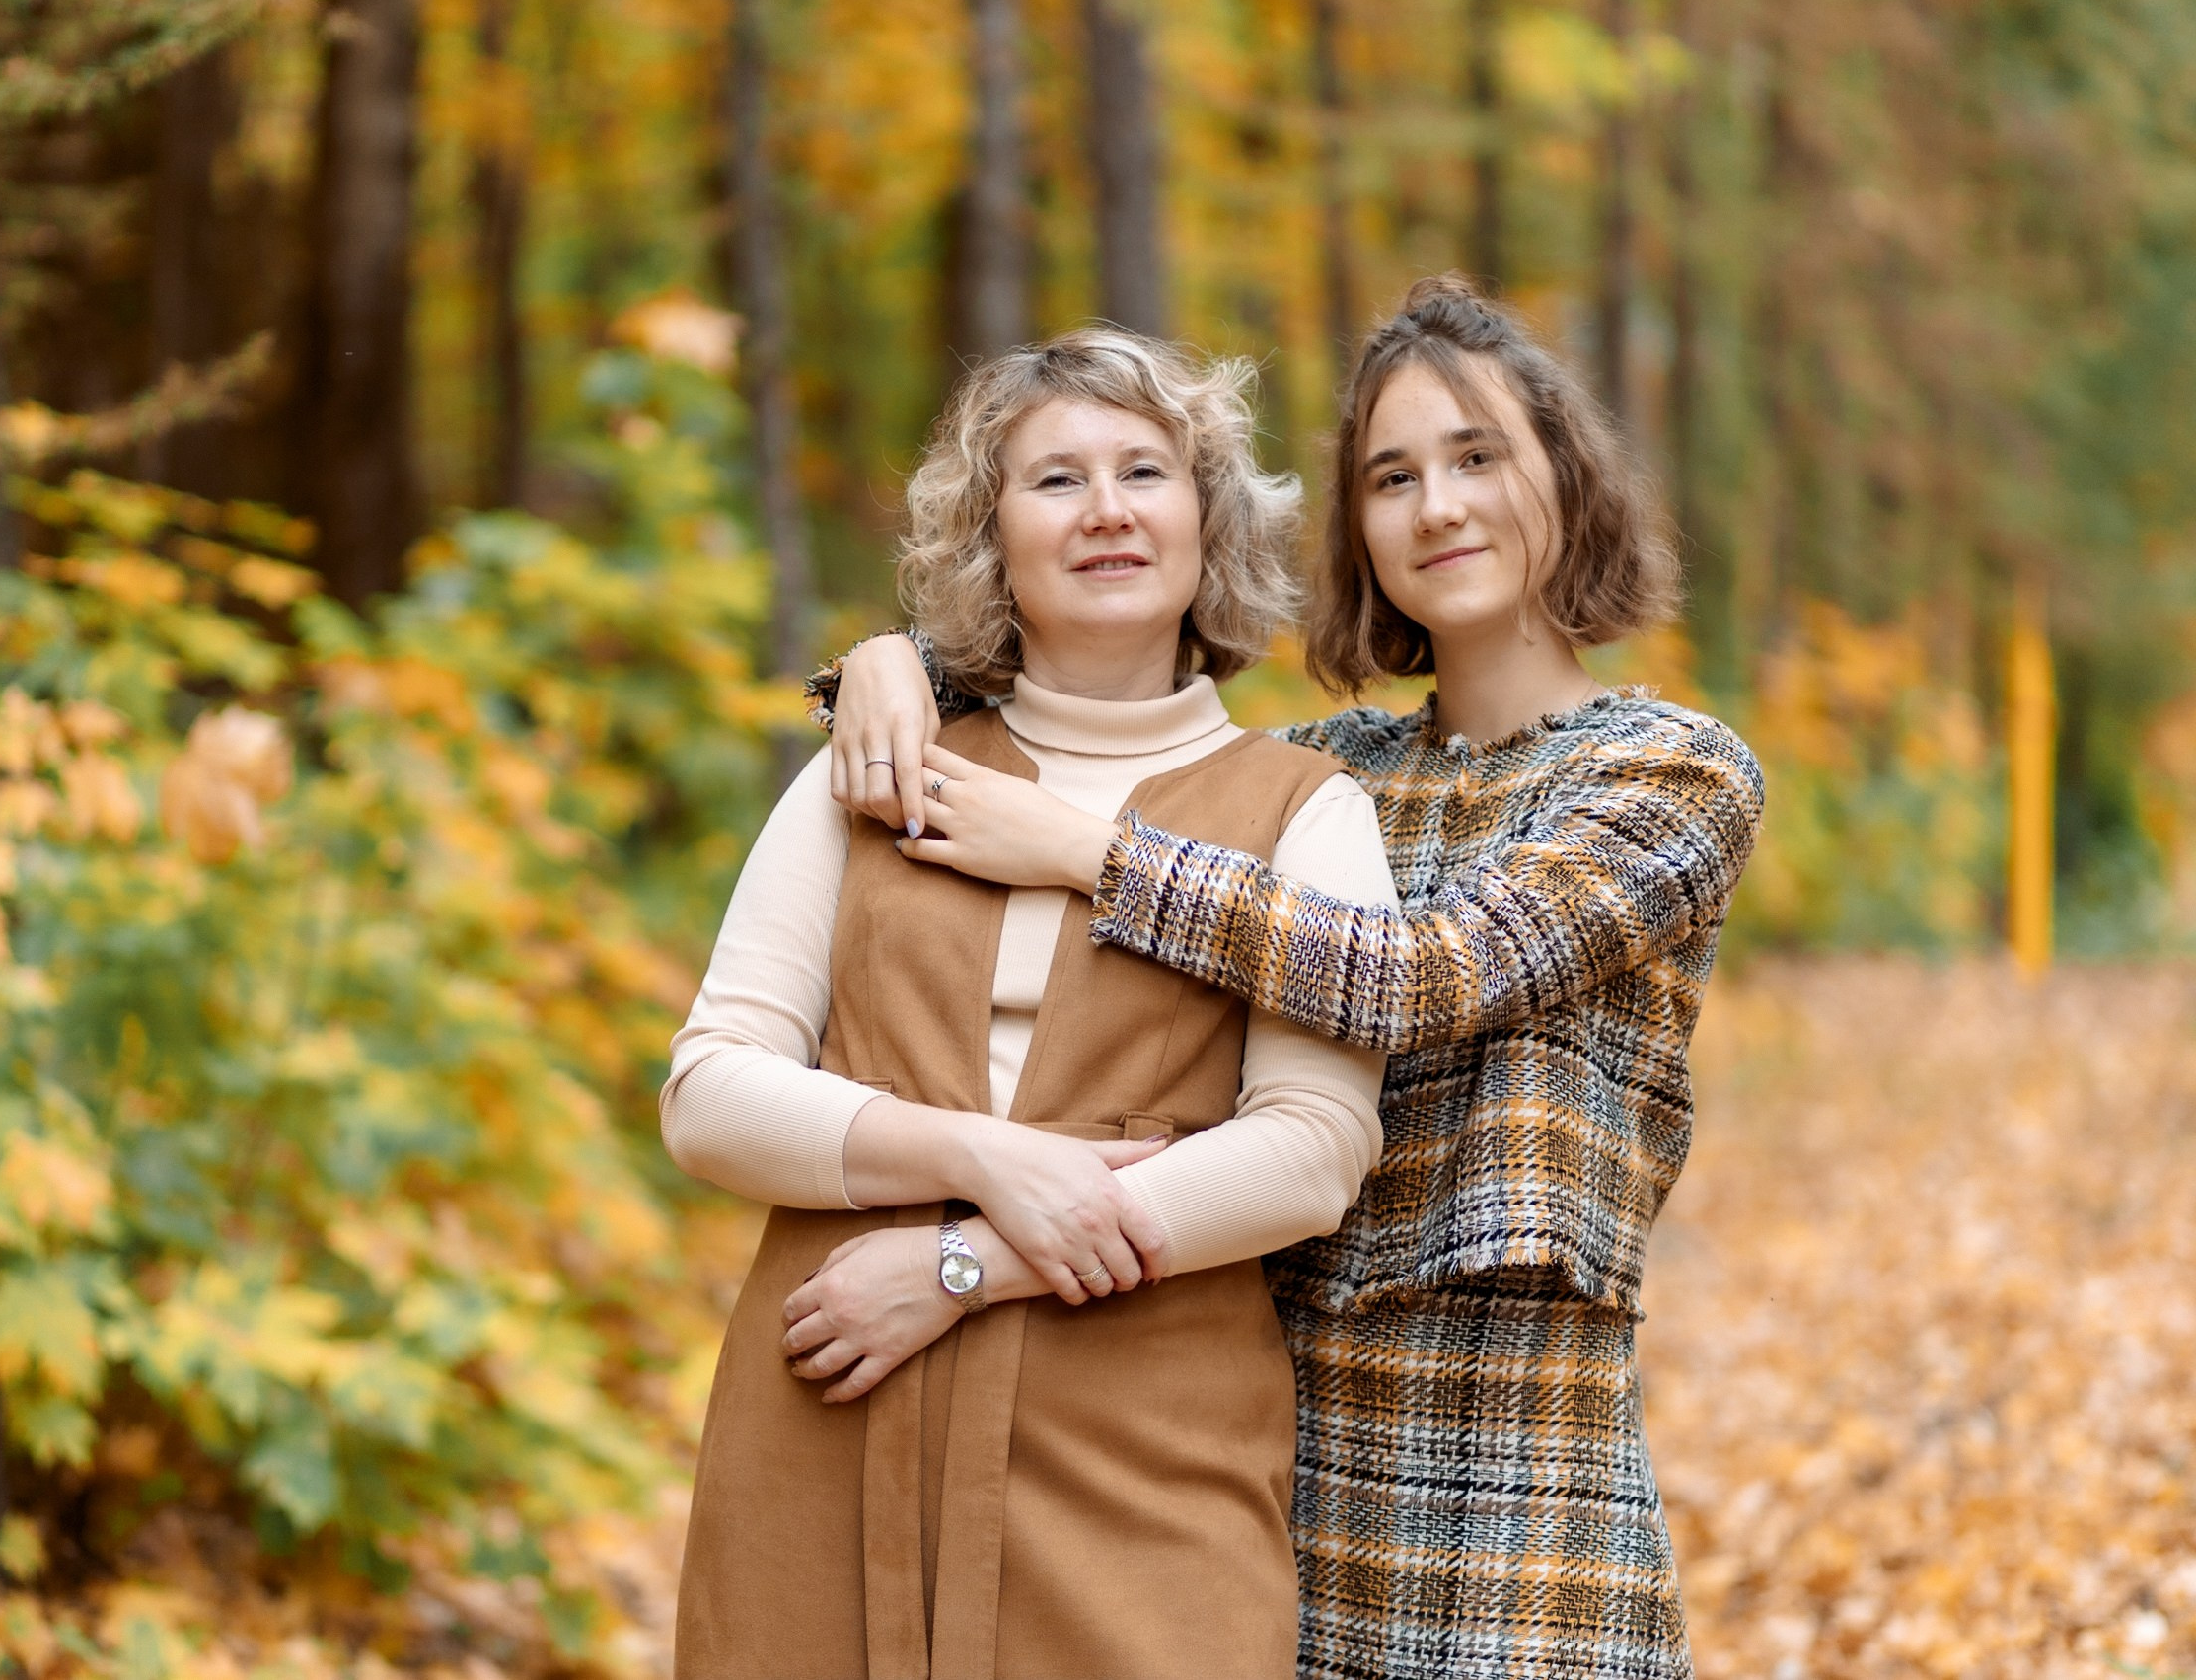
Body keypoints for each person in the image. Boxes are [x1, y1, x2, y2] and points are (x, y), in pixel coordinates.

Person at [813, 275, 1766, 1680]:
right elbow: (1098, 701)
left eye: (1477, 456)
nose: (1437, 506)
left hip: (1517, 1486)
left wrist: (1092, 856)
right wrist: (888, 665)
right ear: (1357, 528)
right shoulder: (1334, 780)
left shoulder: (1673, 772)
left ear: (1565, 477)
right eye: (1393, 476)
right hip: (1254, 1456)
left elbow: (1430, 973)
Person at [662, 327, 1396, 1680]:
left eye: (1145, 471)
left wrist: (962, 1265)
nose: (1107, 509)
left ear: (1205, 517)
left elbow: (1312, 1148)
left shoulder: (1305, 812)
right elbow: (709, 1091)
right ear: (992, 536)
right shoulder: (879, 768)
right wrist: (981, 1158)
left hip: (1142, 1457)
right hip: (829, 1405)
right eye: (1057, 480)